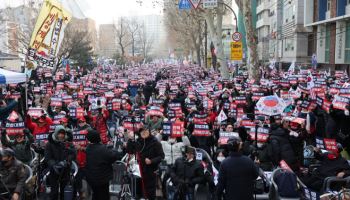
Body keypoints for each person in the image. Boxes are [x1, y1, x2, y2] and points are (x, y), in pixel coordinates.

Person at [127, 128, 165, 200]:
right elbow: (129, 151)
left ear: (149, 131)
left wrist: (151, 161)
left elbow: (161, 156)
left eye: (145, 131)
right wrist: (130, 140)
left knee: (150, 192)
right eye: (141, 131)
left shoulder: (155, 142)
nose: (144, 132)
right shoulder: (137, 141)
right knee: (138, 192)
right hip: (138, 170)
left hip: (151, 170)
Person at [85, 129, 122, 200]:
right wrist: (116, 151)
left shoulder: (89, 148)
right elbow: (112, 157)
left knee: (95, 194)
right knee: (103, 196)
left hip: (91, 178)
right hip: (101, 178)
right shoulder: (101, 149)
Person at [45, 125, 76, 200]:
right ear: (56, 133)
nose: (61, 135)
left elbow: (73, 153)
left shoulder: (67, 142)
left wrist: (67, 161)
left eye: (63, 133)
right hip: (54, 171)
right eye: (59, 133)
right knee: (54, 192)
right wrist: (55, 165)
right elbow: (48, 158)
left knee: (64, 192)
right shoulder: (49, 144)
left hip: (65, 170)